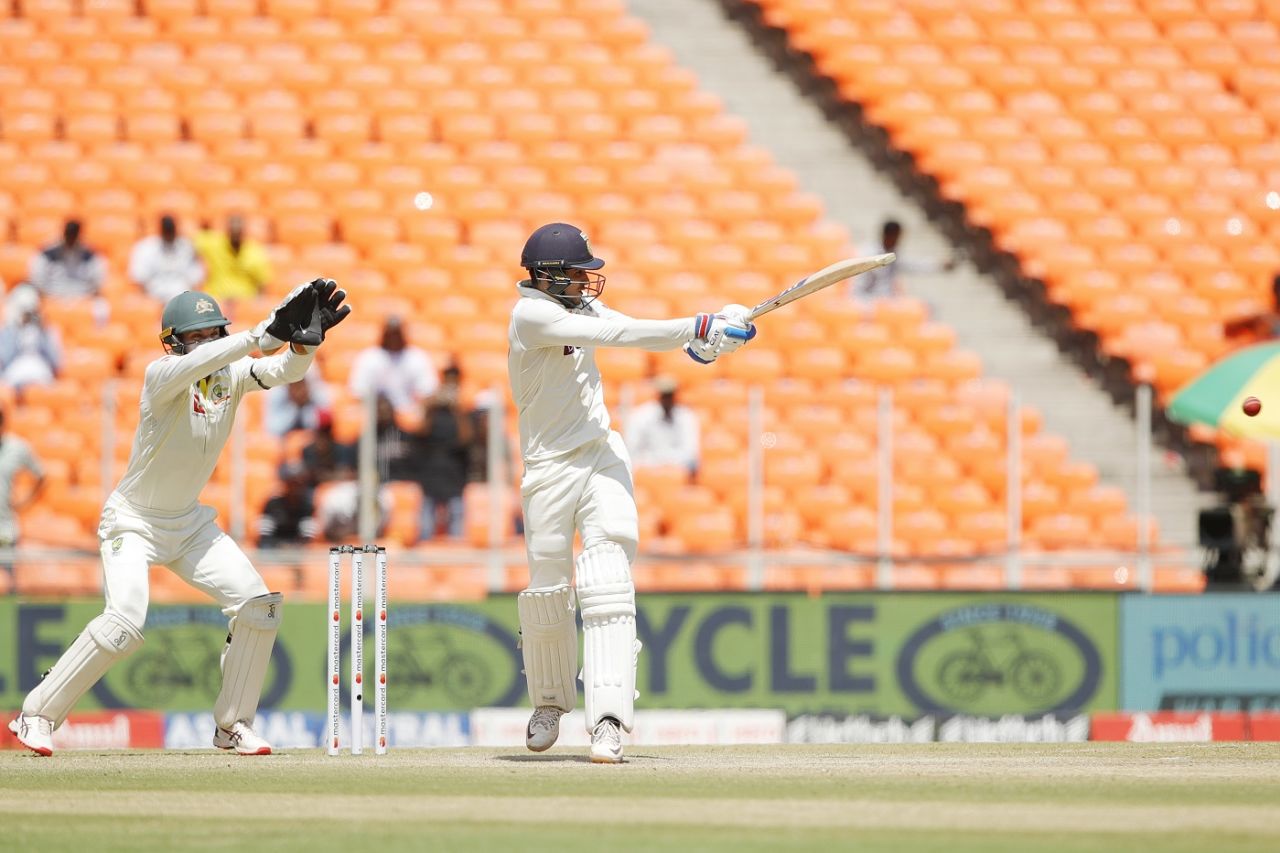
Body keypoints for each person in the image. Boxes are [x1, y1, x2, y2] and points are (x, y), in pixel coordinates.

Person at [7, 279, 351, 757]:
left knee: (259, 605)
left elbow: (281, 372)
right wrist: (257, 335)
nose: (208, 343)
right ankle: (37, 715)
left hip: (189, 525)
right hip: (133, 521)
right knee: (123, 623)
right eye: (199, 335)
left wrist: (304, 345)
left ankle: (232, 726)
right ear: (175, 341)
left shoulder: (229, 376)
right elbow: (210, 361)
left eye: (215, 333)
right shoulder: (161, 374)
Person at [509, 222, 755, 763]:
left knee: (608, 580)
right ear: (548, 275)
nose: (586, 281)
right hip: (548, 470)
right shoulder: (532, 316)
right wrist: (700, 323)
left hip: (601, 455)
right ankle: (549, 702)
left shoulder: (577, 310)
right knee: (549, 589)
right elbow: (619, 337)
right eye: (578, 272)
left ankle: (609, 722)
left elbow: (637, 328)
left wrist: (704, 339)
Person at [413, 364, 473, 540]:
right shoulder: (433, 407)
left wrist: (456, 409)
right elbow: (420, 432)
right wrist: (430, 406)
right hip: (431, 469)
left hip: (454, 471)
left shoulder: (463, 408)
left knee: (456, 520)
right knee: (426, 522)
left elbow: (465, 438)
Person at [347, 315, 439, 415]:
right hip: (377, 414)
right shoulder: (370, 357)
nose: (394, 338)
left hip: (408, 413)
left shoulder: (416, 357)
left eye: (396, 334)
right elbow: (358, 391)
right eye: (390, 334)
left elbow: (428, 391)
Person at [850, 218, 958, 303]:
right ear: (887, 235)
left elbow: (914, 265)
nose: (898, 240)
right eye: (896, 237)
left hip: (889, 303)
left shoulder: (893, 253)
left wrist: (939, 265)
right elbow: (857, 289)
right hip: (869, 303)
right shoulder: (868, 254)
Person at [624, 375, 701, 481]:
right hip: (647, 470)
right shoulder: (640, 416)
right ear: (657, 394)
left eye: (670, 395)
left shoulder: (686, 416)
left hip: (676, 470)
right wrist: (656, 464)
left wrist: (668, 464)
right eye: (664, 395)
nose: (667, 399)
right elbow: (632, 449)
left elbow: (690, 452)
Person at [193, 214, 273, 303]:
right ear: (227, 231)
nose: (235, 235)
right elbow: (192, 240)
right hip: (217, 299)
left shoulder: (255, 252)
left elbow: (263, 283)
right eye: (233, 231)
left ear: (244, 232)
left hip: (245, 301)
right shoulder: (213, 244)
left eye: (238, 232)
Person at [0, 405, 47, 552]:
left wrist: (24, 502)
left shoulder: (17, 447)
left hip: (5, 528)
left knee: (8, 573)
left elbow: (41, 475)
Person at [128, 214, 205, 303]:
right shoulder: (146, 247)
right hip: (155, 295)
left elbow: (196, 275)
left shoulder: (187, 246)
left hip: (183, 295)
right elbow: (139, 277)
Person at [0, 284, 63, 391]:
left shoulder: (47, 330)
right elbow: (5, 360)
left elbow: (56, 362)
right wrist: (15, 330)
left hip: (41, 373)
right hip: (14, 373)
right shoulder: (7, 330)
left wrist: (43, 332)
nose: (28, 314)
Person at [28, 219, 107, 299]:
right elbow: (37, 276)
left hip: (82, 294)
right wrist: (45, 294)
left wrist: (89, 294)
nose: (71, 237)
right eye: (69, 233)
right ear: (64, 232)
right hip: (52, 292)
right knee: (25, 294)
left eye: (74, 234)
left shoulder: (89, 254)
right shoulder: (48, 252)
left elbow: (98, 279)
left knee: (102, 302)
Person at [256, 461, 317, 548]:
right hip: (273, 549)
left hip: (297, 551)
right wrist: (280, 546)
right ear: (285, 483)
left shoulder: (307, 506)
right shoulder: (272, 504)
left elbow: (307, 539)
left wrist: (293, 547)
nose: (295, 487)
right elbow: (264, 536)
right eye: (291, 483)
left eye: (298, 483)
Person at [264, 373, 332, 437]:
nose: (299, 392)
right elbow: (272, 429)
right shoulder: (277, 394)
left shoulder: (318, 394)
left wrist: (305, 408)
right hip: (285, 443)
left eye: (301, 386)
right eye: (295, 387)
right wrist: (294, 408)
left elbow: (325, 424)